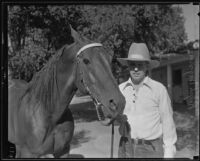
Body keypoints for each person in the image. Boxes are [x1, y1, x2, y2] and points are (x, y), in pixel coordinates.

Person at [116, 43, 177, 158]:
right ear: (128, 66)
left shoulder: (159, 89)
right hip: (125, 146)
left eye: (140, 64)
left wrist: (169, 153)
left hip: (151, 149)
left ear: (147, 66)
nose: (135, 68)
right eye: (132, 64)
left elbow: (167, 122)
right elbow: (113, 118)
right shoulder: (120, 89)